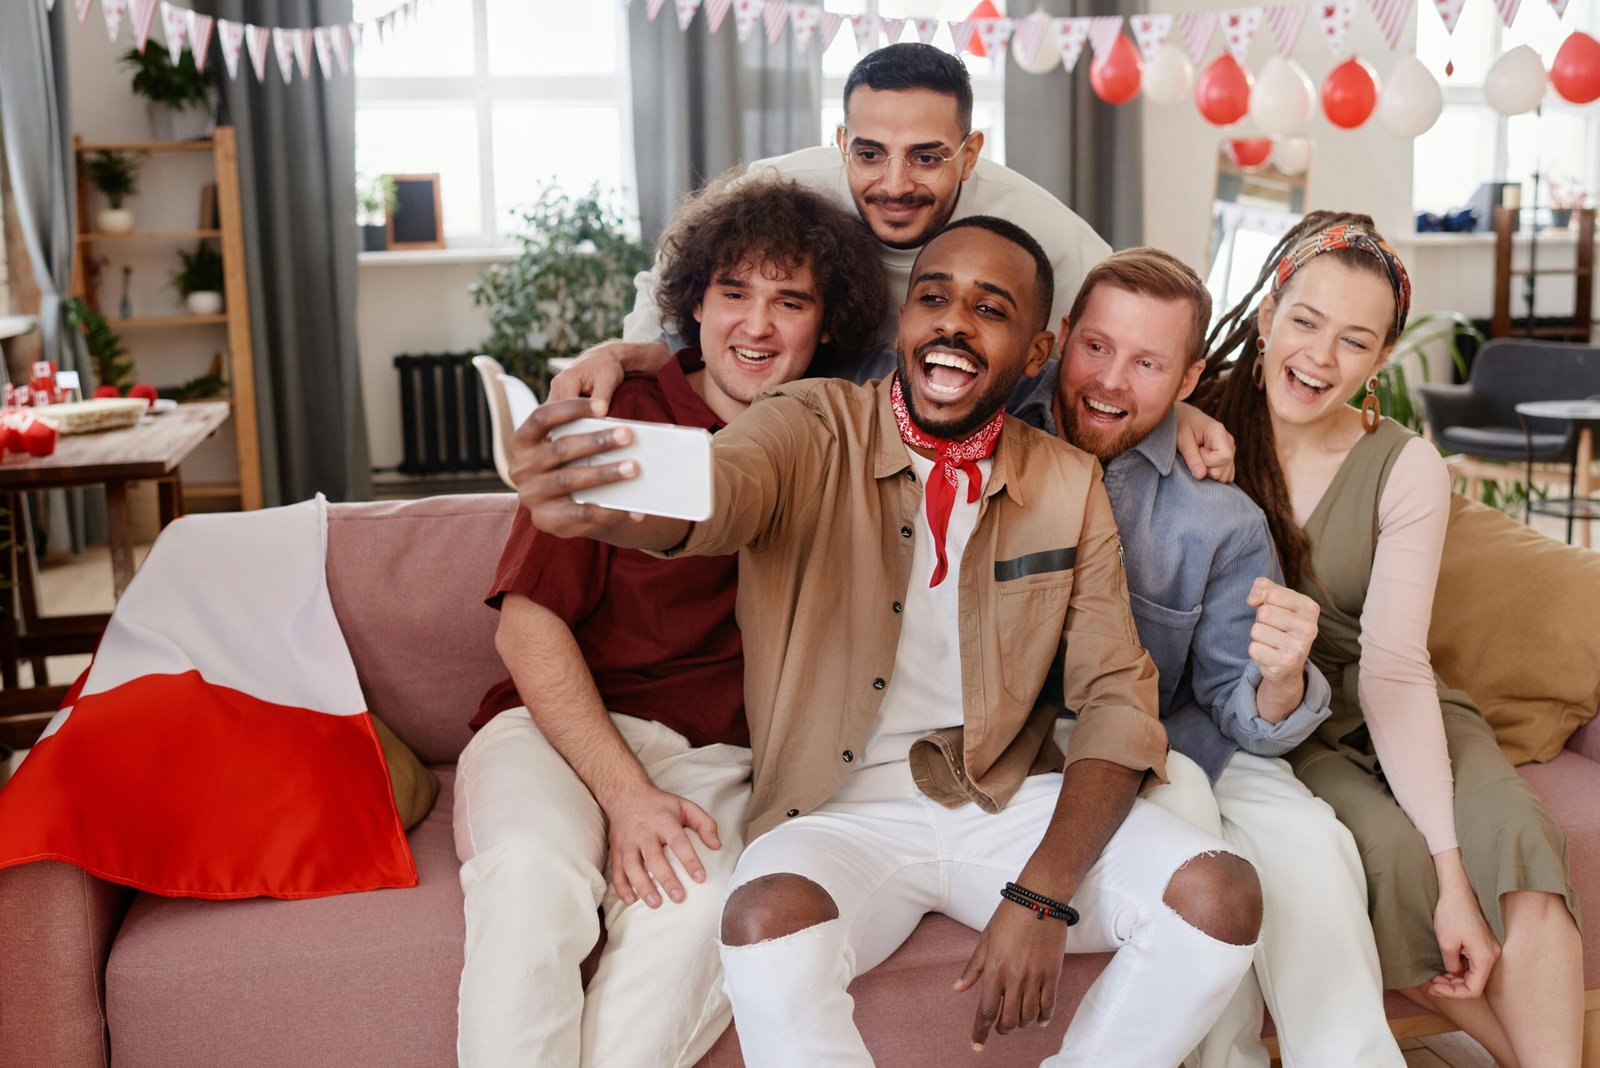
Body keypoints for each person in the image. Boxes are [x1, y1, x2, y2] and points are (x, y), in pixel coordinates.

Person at [512, 216, 1262, 1067]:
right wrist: (609, 493)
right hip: (835, 814)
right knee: (764, 924)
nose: (952, 324)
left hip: (1000, 805)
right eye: (932, 298)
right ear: (905, 319)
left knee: (1219, 895)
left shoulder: (1067, 480)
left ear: (1036, 351)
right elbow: (724, 487)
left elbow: (1118, 699)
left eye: (990, 309)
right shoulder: (809, 421)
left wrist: (1046, 893)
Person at [452, 173, 887, 1068]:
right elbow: (526, 627)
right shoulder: (620, 415)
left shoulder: (843, 440)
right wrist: (626, 795)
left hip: (719, 762)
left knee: (694, 918)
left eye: (789, 301)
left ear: (829, 321)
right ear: (694, 304)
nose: (756, 326)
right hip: (553, 732)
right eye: (734, 294)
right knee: (533, 879)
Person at [1196, 210, 1584, 1067]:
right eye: (1304, 321)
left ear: (1378, 362)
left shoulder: (1405, 465)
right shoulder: (1196, 427)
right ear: (1267, 315)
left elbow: (1398, 671)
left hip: (1402, 701)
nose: (1320, 358)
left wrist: (1456, 875)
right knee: (1382, 855)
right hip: (1288, 727)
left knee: (1514, 836)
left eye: (1355, 341)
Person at [1017, 247, 1404, 1067]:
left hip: (1200, 732)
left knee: (1315, 848)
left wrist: (1282, 676)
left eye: (1148, 362)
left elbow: (1245, 715)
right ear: (1059, 339)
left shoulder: (1220, 517)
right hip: (1062, 746)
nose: (1111, 380)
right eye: (1097, 347)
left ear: (1189, 379)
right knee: (1194, 829)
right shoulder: (991, 439)